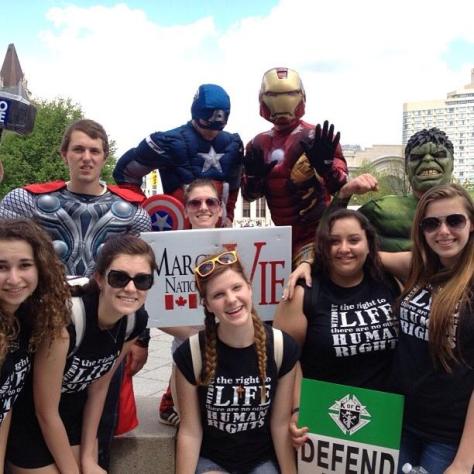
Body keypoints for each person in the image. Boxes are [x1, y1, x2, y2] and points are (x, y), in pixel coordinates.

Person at [0, 118, 152, 469]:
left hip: (101, 325)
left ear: (104, 156)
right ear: (64, 154)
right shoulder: (28, 201)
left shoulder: (132, 213)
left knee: (97, 413)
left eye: (94, 150)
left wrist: (139, 338)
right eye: (79, 149)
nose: (86, 157)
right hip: (43, 328)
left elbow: (138, 273)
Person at [6, 234, 156, 473]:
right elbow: (45, 411)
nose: (130, 288)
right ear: (100, 279)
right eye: (118, 278)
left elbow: (99, 387)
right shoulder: (66, 322)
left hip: (73, 415)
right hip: (31, 418)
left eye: (142, 280)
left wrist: (88, 458)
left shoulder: (134, 321)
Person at [273, 209, 400, 445]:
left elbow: (429, 261)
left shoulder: (389, 282)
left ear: (369, 243)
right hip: (323, 418)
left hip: (385, 418)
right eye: (334, 242)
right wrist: (296, 409)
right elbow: (286, 360)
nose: (344, 248)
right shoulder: (302, 294)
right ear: (322, 246)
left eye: (354, 240)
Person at [174, 250, 299, 473]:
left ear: (249, 288)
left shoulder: (282, 348)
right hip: (212, 460)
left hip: (261, 459)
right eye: (218, 295)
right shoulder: (191, 354)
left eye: (236, 288)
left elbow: (280, 425)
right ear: (208, 305)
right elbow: (190, 432)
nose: (231, 299)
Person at [380, 184, 474, 473]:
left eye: (454, 220)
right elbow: (356, 254)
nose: (443, 231)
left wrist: (464, 461)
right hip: (399, 421)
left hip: (447, 436)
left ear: (471, 224)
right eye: (431, 224)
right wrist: (307, 263)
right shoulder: (419, 267)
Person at [241, 67, 348, 266]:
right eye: (274, 95)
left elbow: (342, 187)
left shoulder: (317, 138)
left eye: (288, 94)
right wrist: (254, 180)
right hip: (279, 238)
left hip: (315, 235)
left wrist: (327, 169)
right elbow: (249, 195)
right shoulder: (258, 144)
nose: (281, 100)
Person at [113, 84, 243, 226]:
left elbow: (234, 184)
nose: (212, 131)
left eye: (218, 125)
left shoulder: (233, 145)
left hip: (218, 231)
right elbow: (125, 173)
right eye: (207, 122)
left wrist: (229, 216)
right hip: (178, 230)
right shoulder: (167, 142)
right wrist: (146, 210)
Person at [0, 219, 69, 472]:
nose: (14, 278)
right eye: (1, 267)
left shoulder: (25, 319)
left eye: (25, 265)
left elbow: (4, 404)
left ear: (41, 268)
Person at [159, 178, 223, 426]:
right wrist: (195, 335)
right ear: (186, 211)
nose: (203, 207)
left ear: (219, 208)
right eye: (195, 203)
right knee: (190, 424)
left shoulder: (242, 245)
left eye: (210, 202)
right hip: (187, 352)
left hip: (232, 351)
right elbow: (155, 312)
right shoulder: (169, 249)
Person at [333, 127, 454, 251]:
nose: (427, 160)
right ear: (406, 167)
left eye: (439, 155)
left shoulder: (464, 206)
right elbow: (330, 235)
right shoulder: (379, 210)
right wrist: (344, 194)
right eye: (417, 157)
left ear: (452, 164)